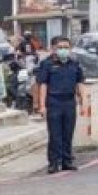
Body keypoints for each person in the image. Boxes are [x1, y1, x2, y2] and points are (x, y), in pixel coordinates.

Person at [35, 36, 88, 175]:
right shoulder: (47, 64)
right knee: (55, 134)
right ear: (53, 49)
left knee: (68, 133)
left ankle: (67, 161)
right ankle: (54, 163)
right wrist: (42, 105)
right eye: (60, 47)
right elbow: (43, 85)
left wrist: (83, 103)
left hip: (70, 101)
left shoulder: (74, 63)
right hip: (54, 102)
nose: (63, 50)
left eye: (66, 47)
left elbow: (80, 83)